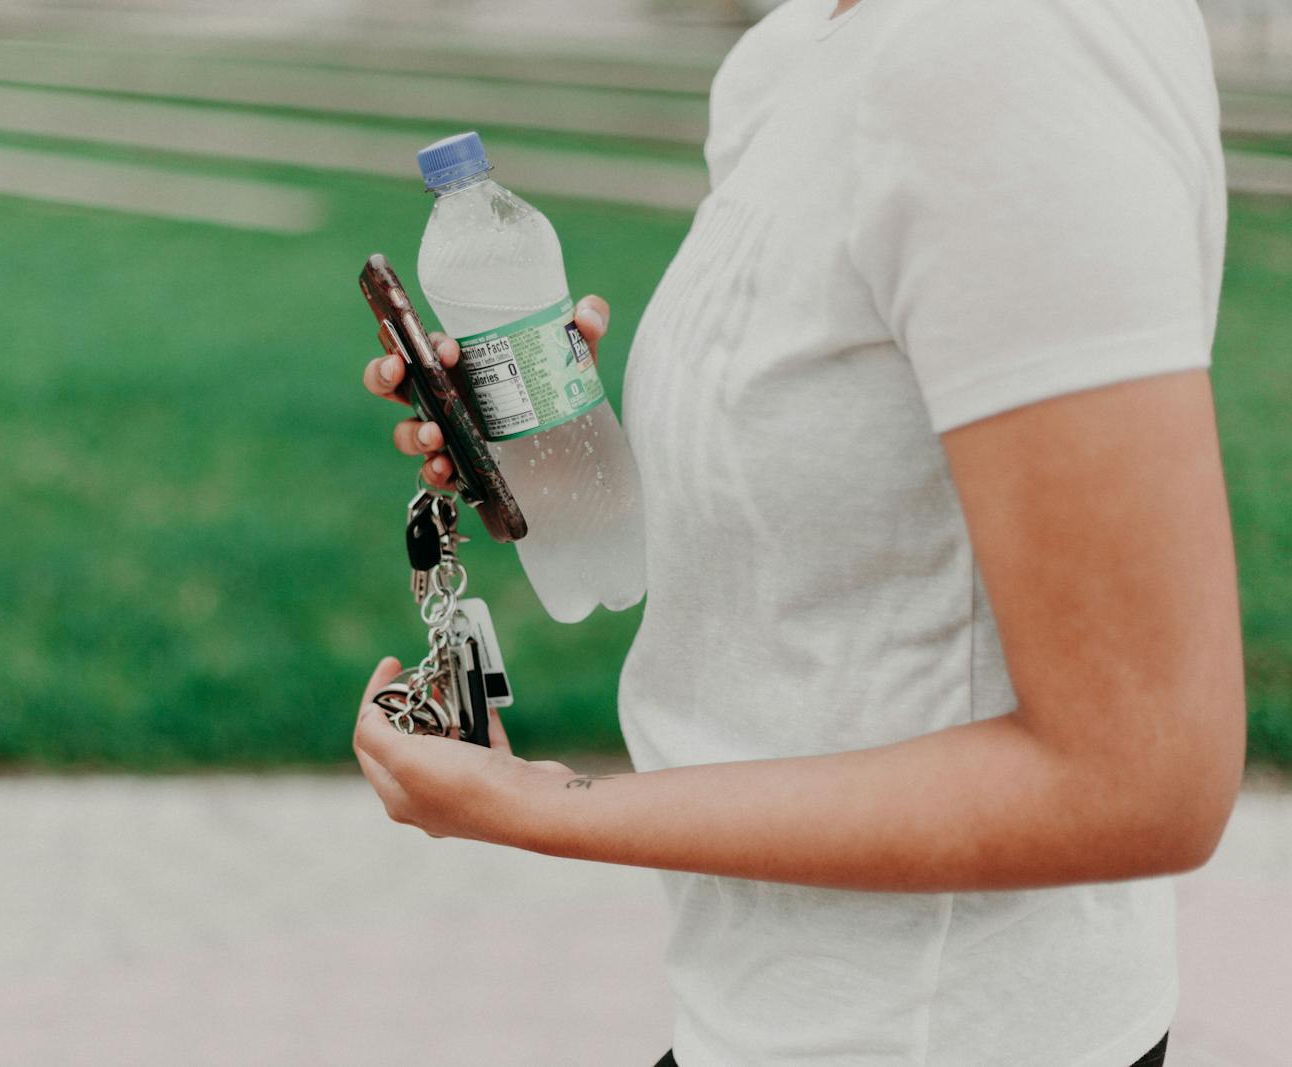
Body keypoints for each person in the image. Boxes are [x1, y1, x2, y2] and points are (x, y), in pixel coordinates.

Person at [354, 0, 1243, 1063]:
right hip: (758, 1014)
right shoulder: (791, 56)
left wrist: (547, 806)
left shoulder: (1015, 41)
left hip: (940, 1032)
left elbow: (1142, 779)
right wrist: (549, 445)